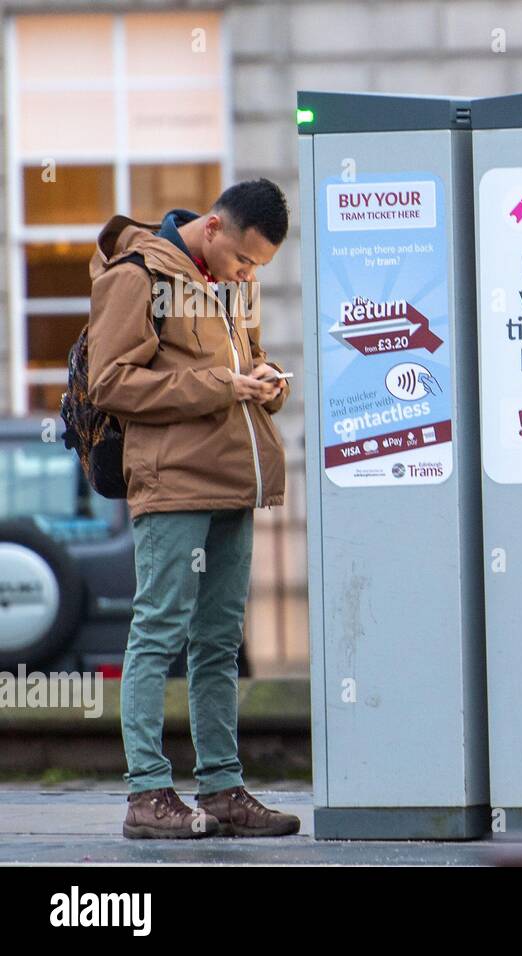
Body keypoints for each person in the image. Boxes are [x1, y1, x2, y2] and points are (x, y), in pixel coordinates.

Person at [87, 178, 300, 839]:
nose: (247, 274)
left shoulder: (230, 281)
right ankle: (147, 795)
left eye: (258, 269)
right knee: (158, 633)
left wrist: (264, 385)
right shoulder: (138, 274)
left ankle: (223, 788)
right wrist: (219, 385)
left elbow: (246, 361)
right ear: (213, 228)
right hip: (174, 481)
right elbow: (111, 381)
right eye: (244, 261)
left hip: (234, 479)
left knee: (217, 643)